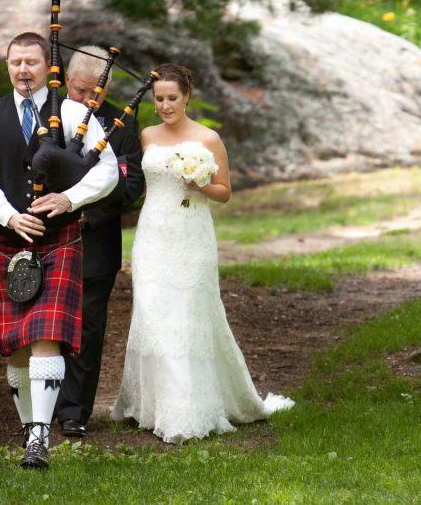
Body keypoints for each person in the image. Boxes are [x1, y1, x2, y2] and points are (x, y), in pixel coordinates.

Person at [110, 63, 293, 443]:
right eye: (159, 99)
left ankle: (190, 408)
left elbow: (225, 191)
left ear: (187, 96)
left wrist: (200, 183)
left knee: (187, 315)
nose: (164, 106)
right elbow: (141, 184)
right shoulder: (145, 135)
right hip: (153, 233)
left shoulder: (208, 139)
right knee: (153, 313)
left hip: (191, 235)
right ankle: (153, 405)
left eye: (172, 98)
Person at [0, 32, 118, 470]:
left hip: (59, 240)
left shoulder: (71, 112)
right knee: (16, 345)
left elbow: (106, 172)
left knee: (44, 339)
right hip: (8, 241)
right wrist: (10, 216)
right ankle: (30, 426)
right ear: (8, 65)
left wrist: (70, 199)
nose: (23, 70)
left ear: (45, 66)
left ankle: (39, 440)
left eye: (31, 61)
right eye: (16, 63)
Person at [54, 47, 144, 438]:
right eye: (81, 91)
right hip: (46, 239)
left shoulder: (121, 124)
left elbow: (131, 183)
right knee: (46, 326)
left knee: (88, 328)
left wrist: (88, 214)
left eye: (98, 95)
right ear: (67, 80)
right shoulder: (48, 116)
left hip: (96, 242)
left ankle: (74, 411)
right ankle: (43, 403)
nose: (89, 101)